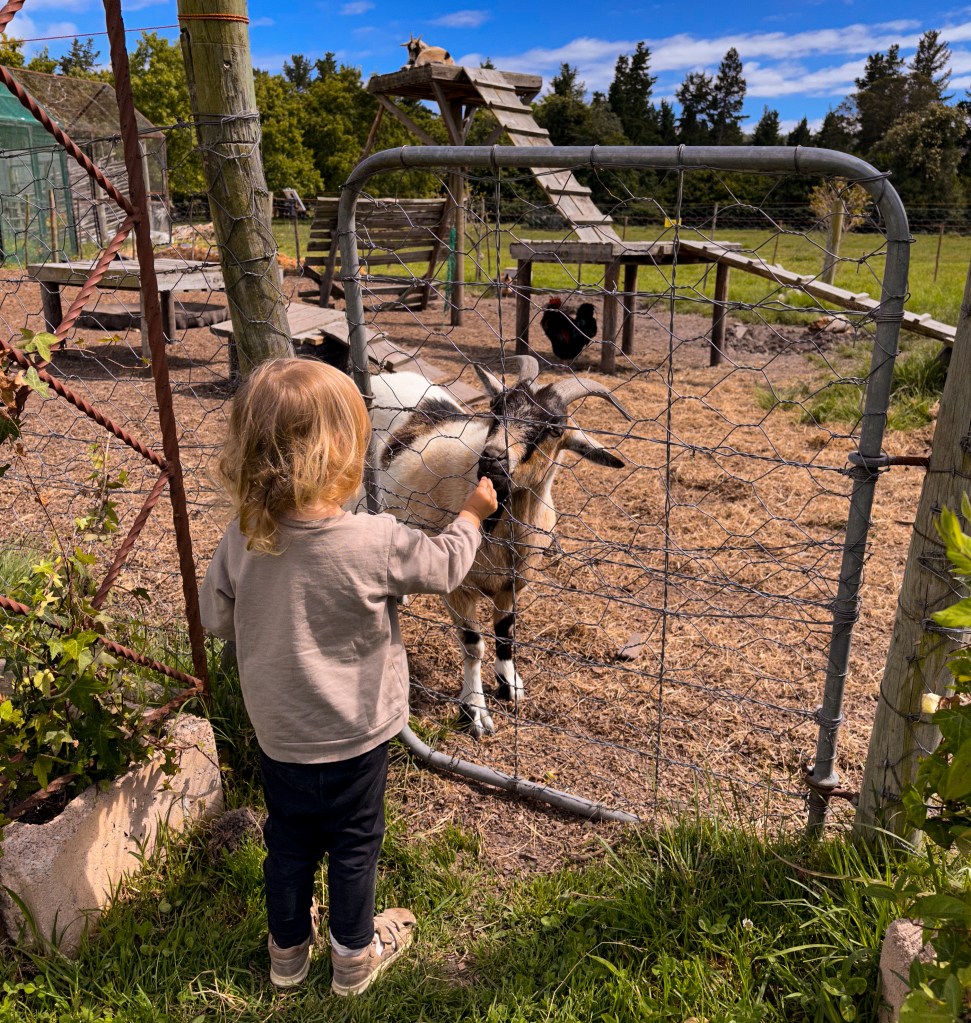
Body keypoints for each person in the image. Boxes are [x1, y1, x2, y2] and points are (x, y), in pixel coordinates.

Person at [199, 358, 497, 994]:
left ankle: (287, 955)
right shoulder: (375, 539)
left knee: (289, 842)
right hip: (359, 734)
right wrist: (472, 514)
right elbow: (446, 566)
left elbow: (216, 619)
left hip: (280, 733)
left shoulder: (243, 537)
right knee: (355, 845)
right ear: (341, 454)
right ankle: (353, 956)